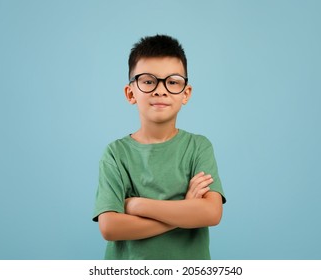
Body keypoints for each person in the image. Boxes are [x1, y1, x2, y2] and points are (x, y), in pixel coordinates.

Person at [92, 34, 226, 259]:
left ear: (186, 93)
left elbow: (211, 213)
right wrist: (185, 210)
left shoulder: (198, 147)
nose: (160, 90)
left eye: (172, 81)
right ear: (130, 93)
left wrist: (137, 206)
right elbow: (110, 228)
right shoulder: (115, 154)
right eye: (148, 81)